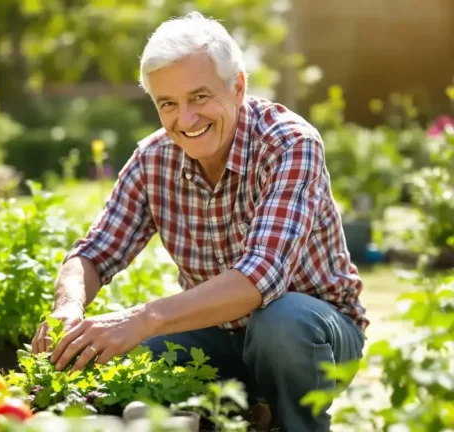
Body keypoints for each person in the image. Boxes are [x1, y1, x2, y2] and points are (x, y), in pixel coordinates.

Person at [31, 12, 368, 432]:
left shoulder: (289, 144)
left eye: (200, 97)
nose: (185, 119)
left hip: (314, 337)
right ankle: (241, 413)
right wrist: (69, 306)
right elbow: (95, 253)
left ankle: (293, 423)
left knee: (280, 320)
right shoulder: (154, 158)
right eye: (167, 104)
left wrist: (143, 318)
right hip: (213, 335)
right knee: (121, 356)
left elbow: (258, 278)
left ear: (238, 86)